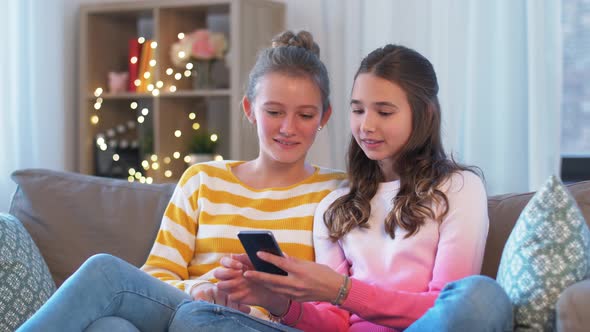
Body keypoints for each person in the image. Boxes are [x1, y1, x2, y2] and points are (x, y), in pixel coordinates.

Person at [17, 30, 346, 332]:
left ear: (324, 117)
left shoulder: (338, 193)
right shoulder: (204, 180)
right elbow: (157, 274)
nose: (288, 127)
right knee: (111, 328)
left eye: (304, 115)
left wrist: (261, 304)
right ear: (249, 109)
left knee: (105, 271)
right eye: (274, 112)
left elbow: (335, 301)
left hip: (267, 325)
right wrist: (200, 289)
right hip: (190, 312)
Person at [168, 44, 514, 332]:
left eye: (384, 111)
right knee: (195, 317)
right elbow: (332, 322)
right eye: (358, 110)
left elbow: (446, 305)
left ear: (423, 114)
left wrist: (342, 291)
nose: (366, 125)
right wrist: (275, 298)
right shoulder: (336, 204)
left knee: (480, 297)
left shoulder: (458, 188)